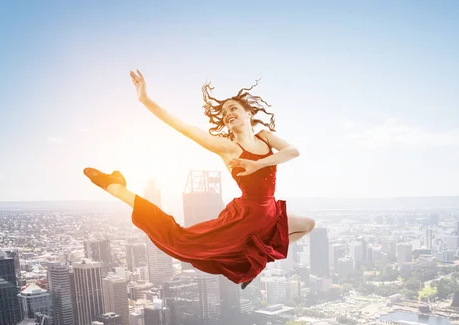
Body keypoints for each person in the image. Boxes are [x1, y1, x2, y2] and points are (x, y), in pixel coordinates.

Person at [83, 69, 315, 289]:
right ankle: (114, 186)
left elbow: (293, 151)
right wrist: (145, 99)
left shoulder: (266, 137)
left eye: (233, 108)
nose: (227, 115)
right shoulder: (227, 147)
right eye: (224, 113)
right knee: (181, 240)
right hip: (247, 218)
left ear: (249, 113)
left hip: (271, 212)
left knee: (308, 225)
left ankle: (257, 261)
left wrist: (259, 163)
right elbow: (185, 128)